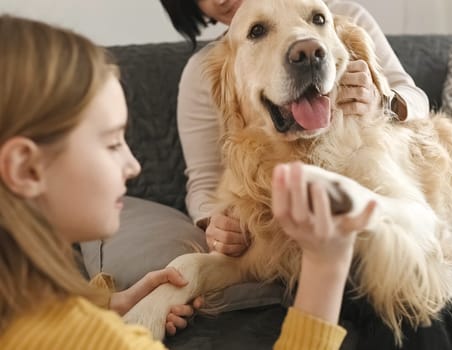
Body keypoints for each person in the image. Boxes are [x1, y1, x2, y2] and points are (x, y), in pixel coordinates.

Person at [0, 15, 374, 350]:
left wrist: (105, 303)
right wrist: (325, 267)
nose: (133, 166)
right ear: (25, 169)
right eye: (113, 142)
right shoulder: (104, 340)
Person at [159, 0, 430, 255]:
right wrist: (215, 223)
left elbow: (418, 101)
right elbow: (204, 180)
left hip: (379, 181)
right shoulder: (205, 69)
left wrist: (381, 98)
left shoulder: (342, 17)